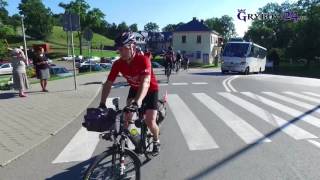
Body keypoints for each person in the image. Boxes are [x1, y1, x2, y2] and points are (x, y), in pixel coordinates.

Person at [99, 32, 161, 154]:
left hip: (150, 90)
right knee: (126, 119)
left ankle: (156, 140)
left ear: (132, 46)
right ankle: (125, 142)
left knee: (150, 121)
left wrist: (137, 102)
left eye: (123, 49)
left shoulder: (143, 60)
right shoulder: (118, 63)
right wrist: (102, 103)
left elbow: (145, 83)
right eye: (119, 49)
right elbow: (108, 83)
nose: (120, 52)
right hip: (134, 89)